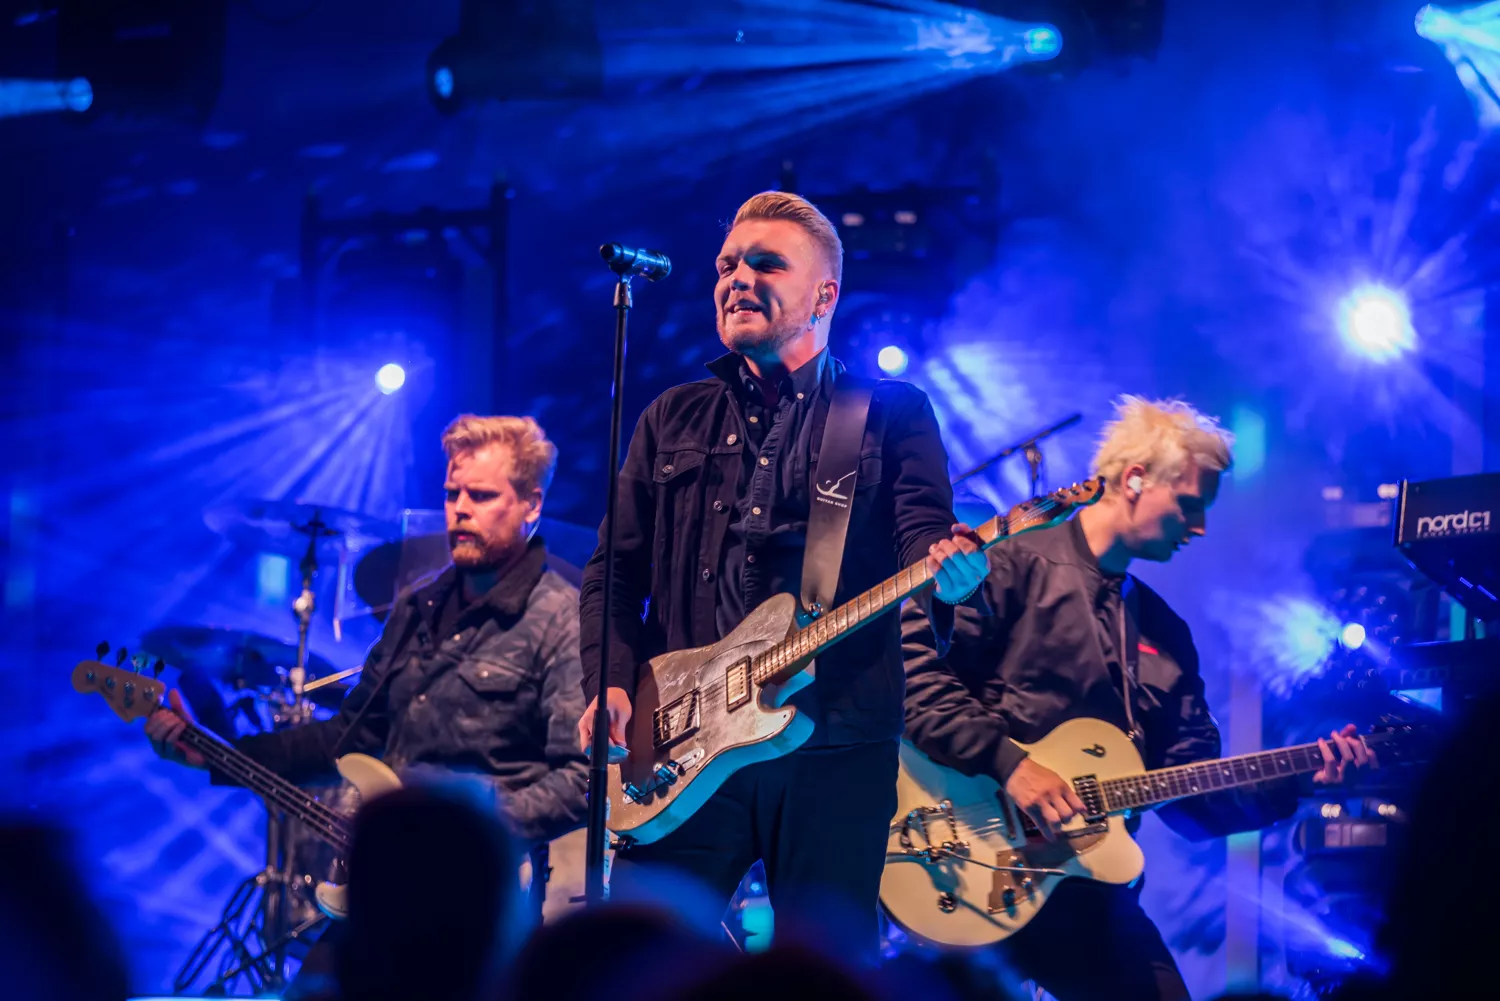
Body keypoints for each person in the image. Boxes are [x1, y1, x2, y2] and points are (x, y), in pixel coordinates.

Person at [577, 190, 989, 960]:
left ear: (824, 295)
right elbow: (616, 568)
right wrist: (608, 681)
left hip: (834, 743)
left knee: (825, 971)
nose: (738, 279)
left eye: (766, 264)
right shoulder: (671, 417)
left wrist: (951, 573)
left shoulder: (889, 413)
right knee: (634, 965)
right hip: (680, 738)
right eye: (727, 265)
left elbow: (924, 543)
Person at [900, 396, 1376, 1001]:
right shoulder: (1010, 564)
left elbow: (1192, 797)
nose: (1198, 528)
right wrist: (1010, 765)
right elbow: (911, 677)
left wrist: (1300, 778)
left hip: (1085, 887)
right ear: (1134, 480)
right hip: (965, 861)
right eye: (1190, 504)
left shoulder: (1163, 632)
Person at [147, 415, 589, 909]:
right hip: (391, 886)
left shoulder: (562, 619)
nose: (460, 509)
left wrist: (469, 833)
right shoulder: (417, 608)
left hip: (482, 894)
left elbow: (583, 779)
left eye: (482, 496)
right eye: (452, 494)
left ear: (532, 504)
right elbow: (345, 741)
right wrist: (215, 753)